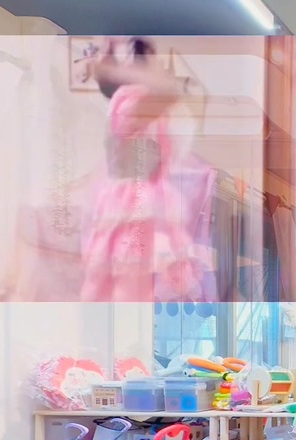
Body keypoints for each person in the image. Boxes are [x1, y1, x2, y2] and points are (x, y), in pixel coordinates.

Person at [79, 38, 205, 302]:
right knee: (126, 279)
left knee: (135, 280)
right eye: (155, 62)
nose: (163, 68)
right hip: (131, 205)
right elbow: (168, 93)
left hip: (144, 200)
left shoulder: (143, 106)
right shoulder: (128, 102)